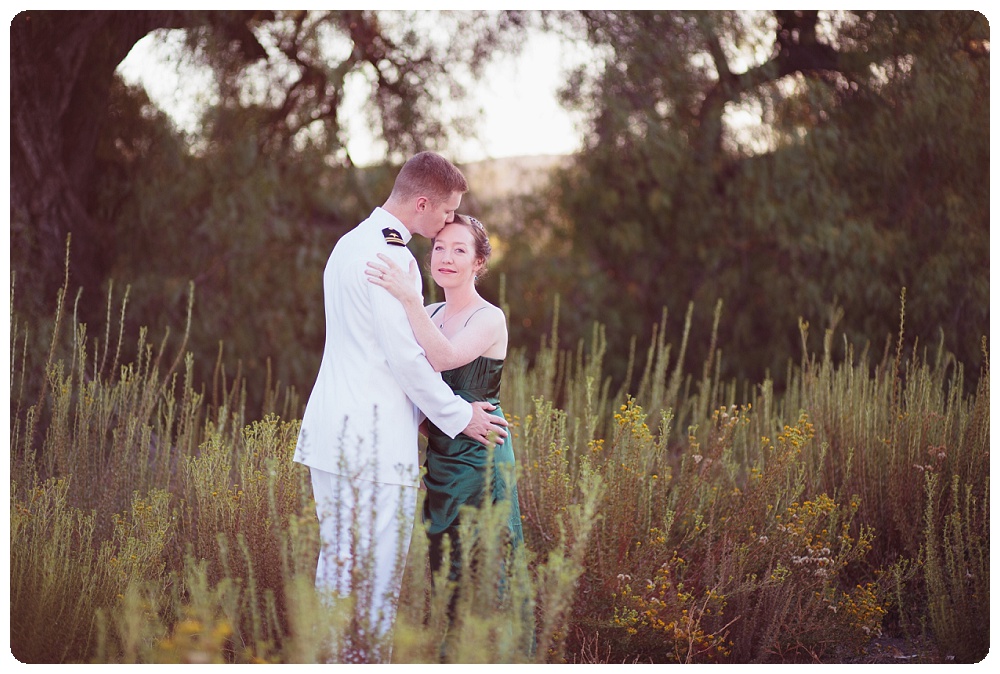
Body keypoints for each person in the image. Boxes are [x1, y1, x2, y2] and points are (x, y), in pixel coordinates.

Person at [293, 152, 509, 662]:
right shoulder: (396, 256)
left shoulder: (349, 242)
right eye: (445, 212)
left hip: (330, 434)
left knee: (337, 574)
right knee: (374, 589)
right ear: (422, 202)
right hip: (372, 443)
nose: (446, 222)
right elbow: (407, 361)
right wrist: (460, 416)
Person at [365, 214, 524, 604]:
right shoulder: (432, 313)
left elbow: (446, 356)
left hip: (480, 456)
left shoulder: (489, 317)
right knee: (448, 577)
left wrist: (407, 297)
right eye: (439, 248)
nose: (446, 258)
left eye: (459, 250)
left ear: (478, 262)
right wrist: (427, 429)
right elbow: (412, 383)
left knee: (484, 570)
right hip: (441, 457)